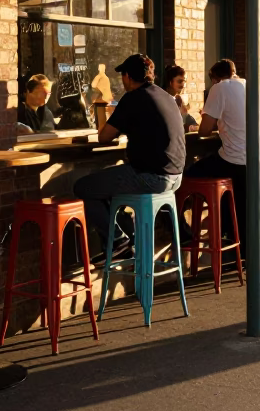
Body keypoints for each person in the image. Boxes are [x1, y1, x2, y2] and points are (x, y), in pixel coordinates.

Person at [74, 54, 185, 261]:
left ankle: (117, 240)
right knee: (110, 191)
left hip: (151, 177)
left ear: (127, 76)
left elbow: (104, 137)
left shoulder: (133, 98)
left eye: (122, 76)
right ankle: (128, 241)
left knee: (84, 187)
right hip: (175, 178)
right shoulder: (165, 96)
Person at [183, 59, 260, 259]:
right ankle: (241, 247)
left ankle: (186, 232)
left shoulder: (219, 88)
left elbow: (204, 130)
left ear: (215, 78)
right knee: (237, 202)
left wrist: (214, 121)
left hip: (238, 160)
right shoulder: (249, 85)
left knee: (189, 176)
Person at [162, 64, 200, 132]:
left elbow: (193, 123)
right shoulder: (162, 100)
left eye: (184, 81)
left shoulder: (178, 100)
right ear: (170, 82)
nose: (182, 85)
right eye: (179, 81)